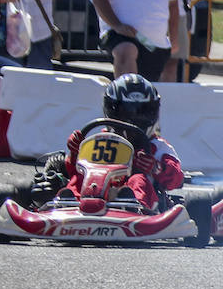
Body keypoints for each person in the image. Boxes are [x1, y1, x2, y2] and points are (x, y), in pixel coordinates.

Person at [62, 74, 183, 213]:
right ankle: (68, 203)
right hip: (95, 191)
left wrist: (155, 168)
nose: (133, 120)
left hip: (139, 204)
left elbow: (177, 179)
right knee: (79, 178)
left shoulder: (158, 146)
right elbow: (72, 171)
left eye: (142, 113)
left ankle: (133, 206)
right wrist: (75, 152)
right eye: (126, 112)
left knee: (138, 179)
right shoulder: (99, 139)